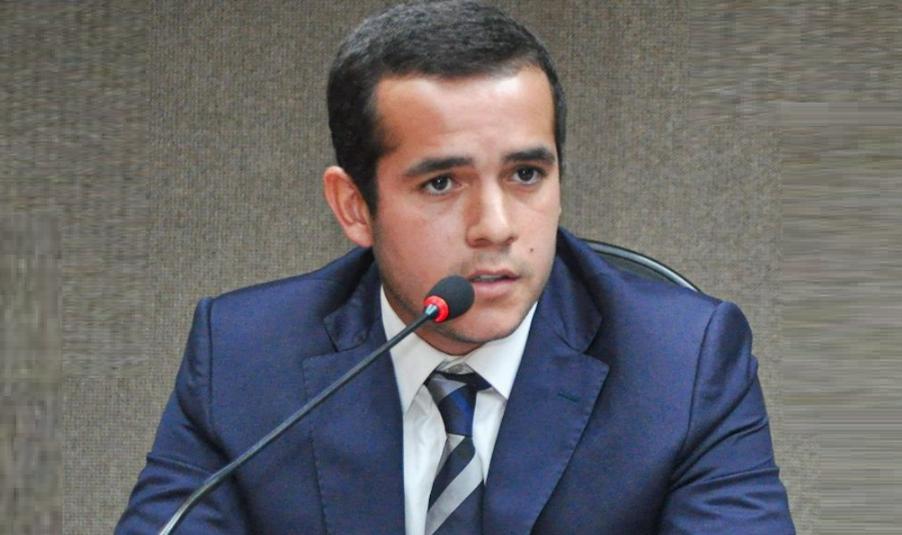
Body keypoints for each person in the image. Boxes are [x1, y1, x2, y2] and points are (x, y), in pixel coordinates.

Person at [117, 1, 795, 533]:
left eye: (526, 174)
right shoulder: (242, 356)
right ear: (354, 207)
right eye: (441, 183)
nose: (496, 226)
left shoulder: (682, 364)